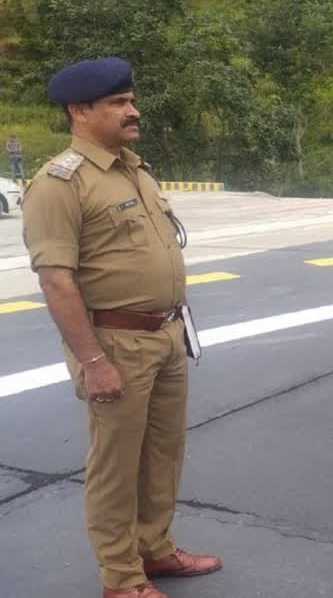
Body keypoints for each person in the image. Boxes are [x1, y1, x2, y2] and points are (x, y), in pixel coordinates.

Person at [20, 57, 221, 598]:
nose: (132, 111)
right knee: (116, 465)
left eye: (130, 100)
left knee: (163, 452)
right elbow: (57, 282)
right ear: (79, 111)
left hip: (166, 334)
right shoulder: (59, 183)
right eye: (117, 103)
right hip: (115, 342)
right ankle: (122, 578)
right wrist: (93, 361)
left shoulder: (134, 168)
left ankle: (154, 550)